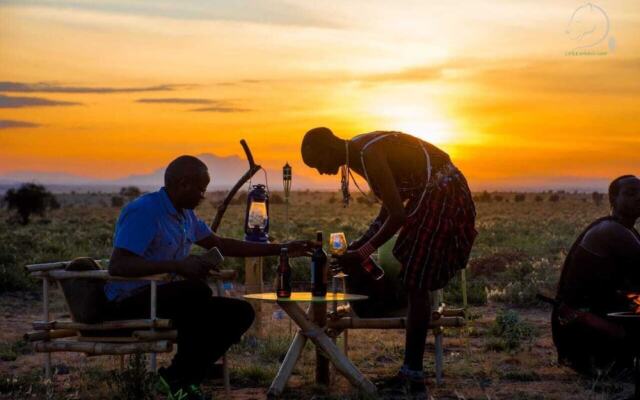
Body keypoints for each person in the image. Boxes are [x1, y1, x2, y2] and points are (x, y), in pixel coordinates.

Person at [105, 155, 313, 399]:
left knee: (240, 313)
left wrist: (282, 248)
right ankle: (181, 382)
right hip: (131, 300)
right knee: (196, 292)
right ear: (183, 184)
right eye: (200, 190)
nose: (203, 196)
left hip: (169, 300)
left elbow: (222, 244)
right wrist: (178, 266)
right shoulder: (145, 211)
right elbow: (118, 265)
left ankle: (177, 379)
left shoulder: (186, 216)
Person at [301, 128, 477, 398]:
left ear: (328, 148)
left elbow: (397, 215)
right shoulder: (359, 154)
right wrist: (359, 245)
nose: (321, 172)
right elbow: (389, 208)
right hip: (431, 197)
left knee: (416, 283)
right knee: (413, 279)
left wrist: (362, 251)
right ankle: (410, 374)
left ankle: (413, 377)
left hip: (444, 194)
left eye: (317, 164)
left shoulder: (369, 153)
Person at [553, 175, 640, 374]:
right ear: (613, 200)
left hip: (598, 312)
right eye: (630, 193)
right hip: (585, 323)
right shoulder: (612, 232)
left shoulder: (624, 230)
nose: (638, 198)